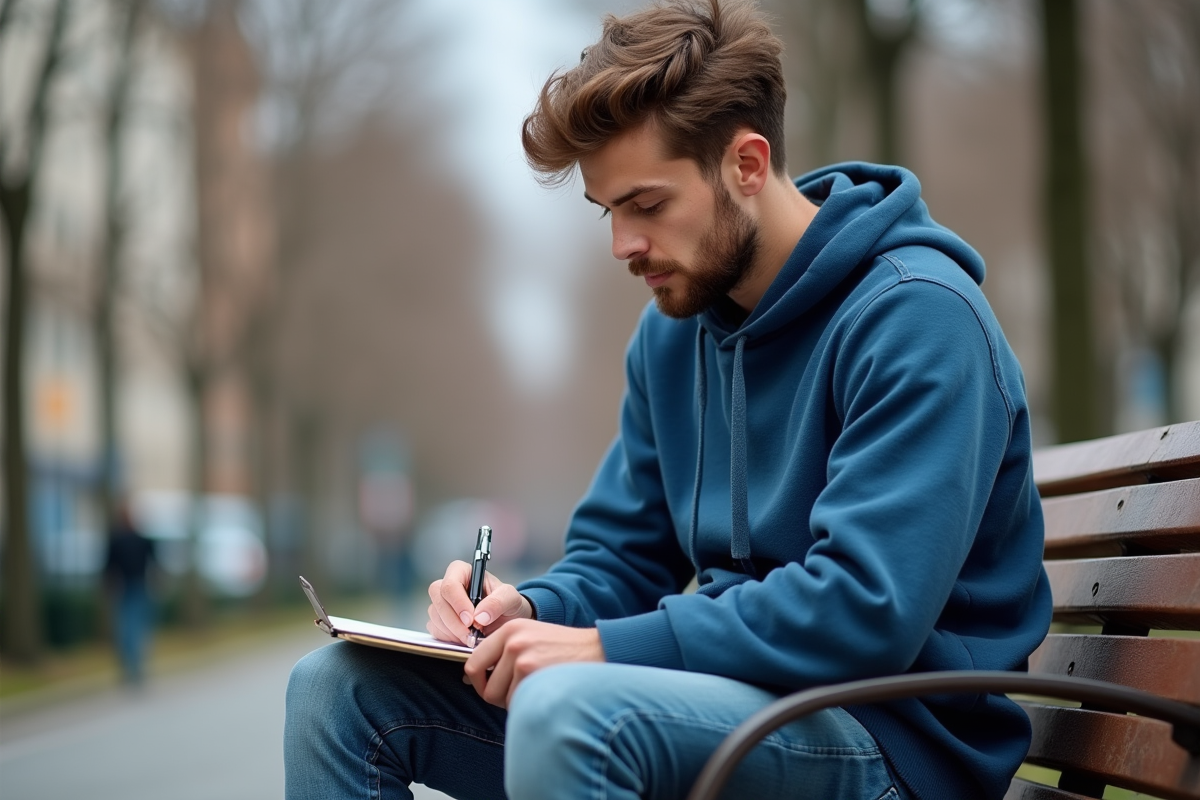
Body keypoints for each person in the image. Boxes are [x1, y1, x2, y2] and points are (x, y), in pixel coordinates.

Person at [284, 0, 1052, 797]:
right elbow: (622, 557)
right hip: (725, 708)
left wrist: (605, 652)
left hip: (893, 741)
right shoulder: (672, 337)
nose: (624, 245)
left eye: (647, 205)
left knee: (571, 712)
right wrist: (523, 613)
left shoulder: (917, 317)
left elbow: (865, 607)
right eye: (609, 211)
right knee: (336, 690)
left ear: (747, 165)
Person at [104, 500, 157, 684]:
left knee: (127, 628)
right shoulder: (140, 539)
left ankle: (130, 666)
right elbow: (155, 563)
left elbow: (108, 567)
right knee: (136, 629)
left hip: (127, 588)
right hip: (136, 587)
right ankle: (135, 666)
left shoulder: (117, 539)